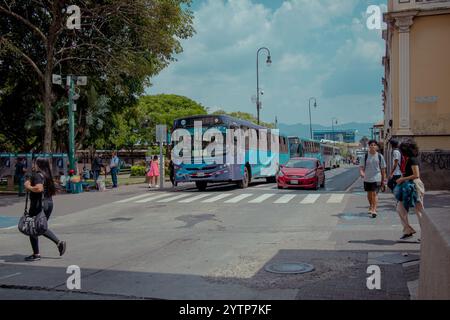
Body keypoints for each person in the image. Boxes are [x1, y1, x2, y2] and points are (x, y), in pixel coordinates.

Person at [23, 158, 66, 262]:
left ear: (39, 165)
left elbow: (39, 188)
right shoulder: (47, 175)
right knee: (40, 226)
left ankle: (36, 254)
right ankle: (59, 243)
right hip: (48, 203)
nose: (33, 164)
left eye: (35, 163)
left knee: (33, 226)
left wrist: (29, 187)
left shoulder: (38, 175)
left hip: (38, 204)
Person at [395, 140, 425, 241]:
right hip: (407, 186)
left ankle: (425, 235)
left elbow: (416, 175)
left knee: (419, 211)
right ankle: (408, 231)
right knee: (400, 209)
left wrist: (402, 179)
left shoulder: (413, 159)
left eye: (402, 150)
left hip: (415, 186)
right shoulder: (407, 159)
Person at [359, 140, 387, 218]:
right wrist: (361, 172)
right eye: (371, 145)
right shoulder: (365, 156)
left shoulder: (380, 156)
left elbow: (383, 169)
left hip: (377, 178)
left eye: (374, 145)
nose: (373, 146)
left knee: (374, 193)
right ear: (369, 146)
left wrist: (384, 180)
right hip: (367, 178)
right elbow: (361, 167)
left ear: (376, 147)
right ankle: (371, 205)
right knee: (369, 194)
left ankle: (374, 209)